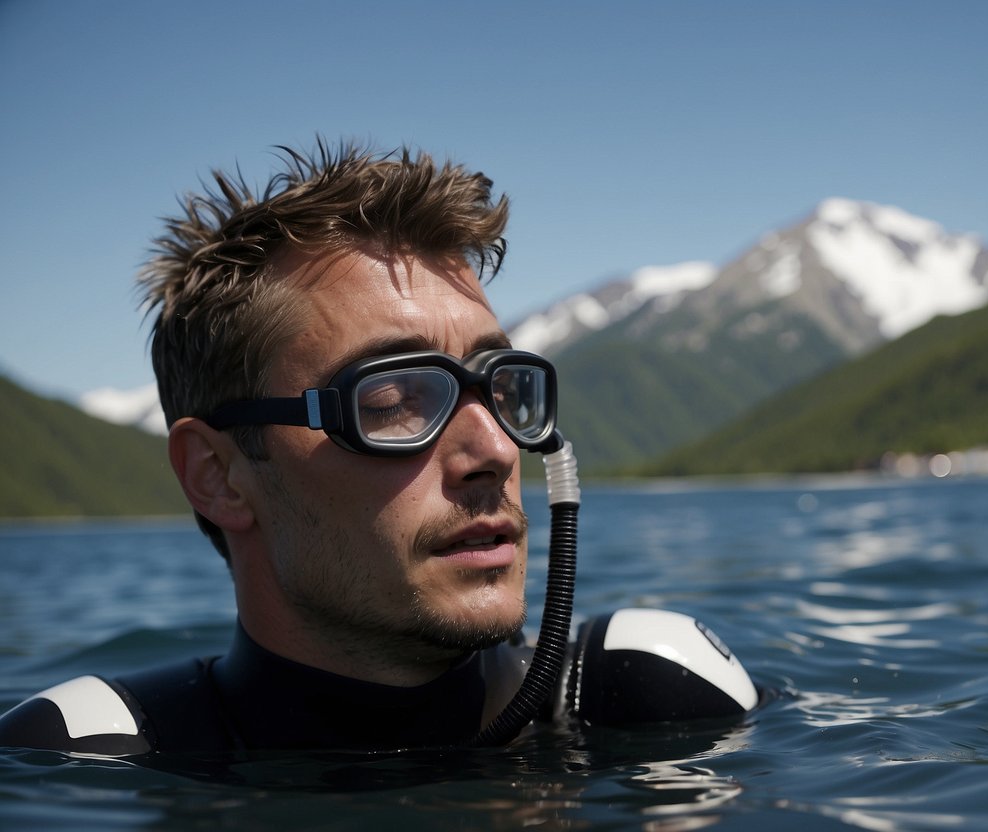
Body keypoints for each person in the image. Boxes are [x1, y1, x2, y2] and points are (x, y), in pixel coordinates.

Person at [0, 141, 757, 762]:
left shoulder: (654, 692)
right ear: (219, 476)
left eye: (501, 387)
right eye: (394, 398)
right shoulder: (84, 754)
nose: (494, 449)